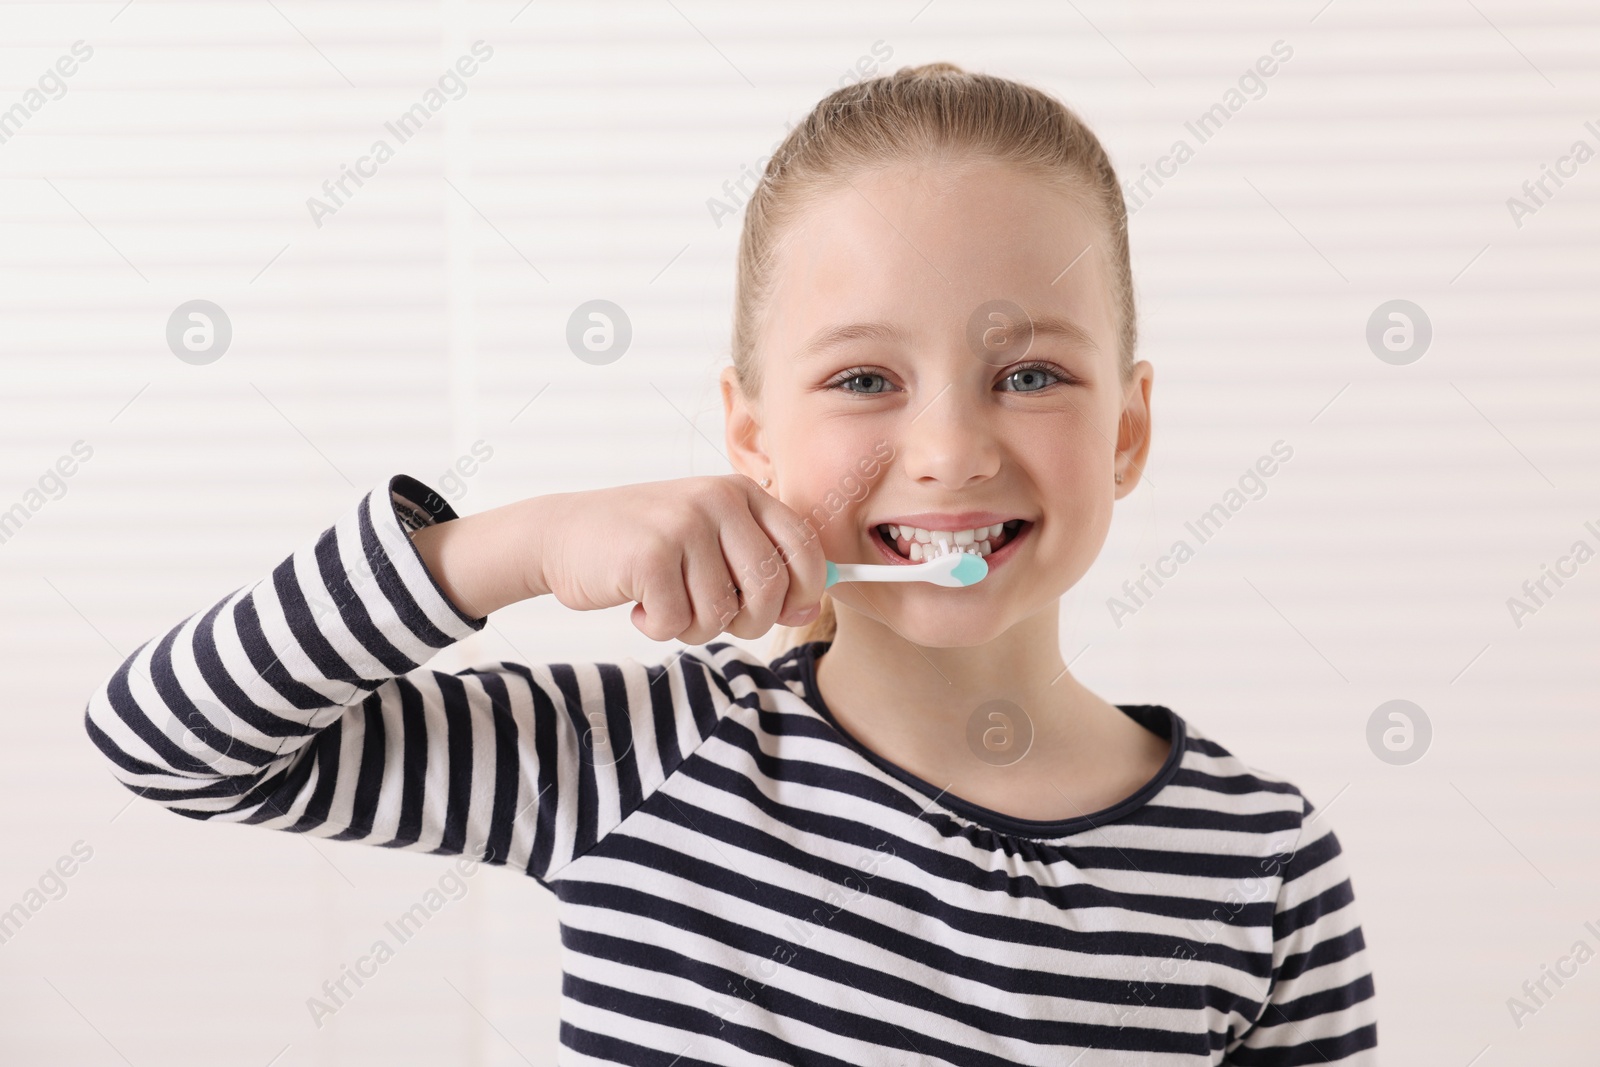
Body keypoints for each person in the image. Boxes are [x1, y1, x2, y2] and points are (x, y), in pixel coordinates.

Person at [84, 62, 1376, 1064]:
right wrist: (513, 546)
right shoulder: (636, 758)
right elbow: (167, 741)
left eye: (1029, 374)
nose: (947, 451)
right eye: (866, 379)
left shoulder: (1261, 859)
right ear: (750, 436)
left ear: (1129, 431)